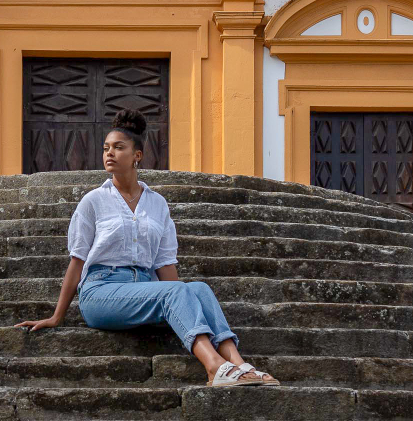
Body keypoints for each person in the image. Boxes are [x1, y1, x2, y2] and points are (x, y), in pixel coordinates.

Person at [15, 108, 280, 387]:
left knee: (198, 289)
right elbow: (78, 260)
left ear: (137, 156)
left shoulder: (157, 203)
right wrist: (57, 316)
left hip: (144, 289)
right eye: (106, 148)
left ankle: (239, 365)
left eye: (119, 147)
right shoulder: (93, 201)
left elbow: (165, 265)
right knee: (178, 292)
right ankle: (214, 367)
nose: (110, 153)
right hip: (101, 292)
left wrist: (184, 304)